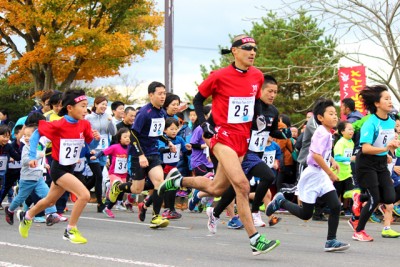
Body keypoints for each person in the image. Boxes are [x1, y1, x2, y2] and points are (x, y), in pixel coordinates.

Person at [158, 35, 280, 255]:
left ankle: (178, 180)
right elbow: (197, 100)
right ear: (234, 51)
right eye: (247, 48)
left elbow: (254, 103)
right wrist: (204, 125)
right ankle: (255, 239)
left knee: (217, 188)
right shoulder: (219, 76)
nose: (252, 52)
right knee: (242, 186)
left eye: (255, 49)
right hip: (222, 138)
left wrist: (259, 117)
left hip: (243, 139)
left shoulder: (257, 76)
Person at [203, 75, 286, 232]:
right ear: (259, 90)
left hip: (258, 152)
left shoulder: (274, 111)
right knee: (268, 176)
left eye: (275, 92)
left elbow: (272, 130)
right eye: (269, 91)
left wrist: (284, 134)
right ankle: (255, 212)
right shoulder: (250, 105)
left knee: (237, 189)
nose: (272, 95)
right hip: (244, 152)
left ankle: (214, 212)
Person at [266, 98, 350, 252]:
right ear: (320, 118)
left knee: (336, 206)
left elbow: (320, 152)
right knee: (306, 214)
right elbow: (315, 156)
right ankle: (281, 201)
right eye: (330, 114)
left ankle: (331, 240)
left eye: (335, 113)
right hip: (313, 175)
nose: (335, 116)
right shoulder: (321, 133)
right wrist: (330, 172)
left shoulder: (327, 133)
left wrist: (331, 160)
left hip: (321, 175)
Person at [17, 89, 100, 244]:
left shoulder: (84, 124)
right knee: (84, 195)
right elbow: (36, 134)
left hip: (70, 168)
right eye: (82, 106)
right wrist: (33, 155)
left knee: (49, 201)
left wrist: (96, 139)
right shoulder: (59, 124)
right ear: (69, 107)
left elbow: (90, 145)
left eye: (86, 106)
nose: (85, 110)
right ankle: (70, 230)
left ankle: (27, 216)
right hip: (58, 168)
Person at [109, 81, 175, 229]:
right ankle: (118, 187)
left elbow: (157, 133)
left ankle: (156, 217)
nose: (163, 96)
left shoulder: (162, 113)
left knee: (160, 184)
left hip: (153, 153)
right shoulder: (144, 113)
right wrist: (140, 155)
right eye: (160, 94)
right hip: (138, 154)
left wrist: (168, 142)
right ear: (151, 95)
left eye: (164, 93)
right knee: (137, 189)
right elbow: (133, 135)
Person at [352, 85, 400, 241]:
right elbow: (365, 148)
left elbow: (386, 143)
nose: (390, 101)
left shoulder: (391, 121)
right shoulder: (370, 122)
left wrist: (388, 153)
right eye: (386, 99)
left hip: (381, 163)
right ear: (377, 103)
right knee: (374, 198)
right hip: (366, 163)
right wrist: (385, 148)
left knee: (389, 196)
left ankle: (360, 198)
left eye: (390, 98)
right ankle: (358, 231)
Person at [5, 124, 60, 226]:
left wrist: (45, 163)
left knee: (48, 195)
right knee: (20, 198)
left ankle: (51, 214)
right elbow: (25, 161)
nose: (26, 138)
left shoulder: (40, 145)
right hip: (27, 178)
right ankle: (10, 210)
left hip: (38, 177)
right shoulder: (27, 148)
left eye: (29, 135)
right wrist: (38, 156)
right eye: (25, 135)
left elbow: (43, 154)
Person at [85, 96, 117, 212]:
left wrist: (111, 122)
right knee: (99, 175)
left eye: (105, 104)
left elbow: (113, 133)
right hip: (93, 150)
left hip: (104, 151)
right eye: (102, 104)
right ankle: (100, 203)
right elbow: (85, 132)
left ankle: (81, 191)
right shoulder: (88, 118)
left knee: (95, 178)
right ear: (96, 104)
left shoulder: (107, 117)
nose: (104, 106)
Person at [97, 128, 130, 218]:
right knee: (116, 186)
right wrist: (95, 156)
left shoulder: (130, 148)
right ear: (120, 138)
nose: (127, 138)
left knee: (118, 192)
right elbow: (103, 152)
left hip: (123, 174)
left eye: (129, 137)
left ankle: (108, 208)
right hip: (114, 174)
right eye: (125, 137)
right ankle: (109, 192)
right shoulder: (115, 147)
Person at [0, 125, 22, 210]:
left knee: (3, 189)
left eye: (8, 137)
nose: (6, 139)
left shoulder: (8, 146)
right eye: (3, 136)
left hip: (2, 173)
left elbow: (17, 157)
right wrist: (9, 158)